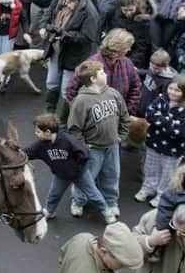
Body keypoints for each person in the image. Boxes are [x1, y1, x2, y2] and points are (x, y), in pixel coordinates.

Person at [67, 60, 130, 219]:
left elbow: (124, 116)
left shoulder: (113, 93)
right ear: (93, 79)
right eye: (102, 72)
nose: (106, 74)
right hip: (93, 148)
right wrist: (82, 147)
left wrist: (121, 137)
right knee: (87, 177)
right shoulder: (81, 101)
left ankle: (111, 202)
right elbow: (74, 128)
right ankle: (78, 201)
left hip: (112, 146)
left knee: (112, 175)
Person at [25, 113, 115, 223]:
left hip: (80, 175)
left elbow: (84, 154)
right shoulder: (41, 145)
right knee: (54, 194)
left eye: (38, 131)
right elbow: (26, 152)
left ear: (48, 132)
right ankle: (49, 211)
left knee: (93, 194)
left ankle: (107, 212)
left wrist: (77, 168)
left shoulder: (68, 141)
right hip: (61, 175)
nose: (36, 133)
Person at [39, 0, 99, 116]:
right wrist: (43, 26)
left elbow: (87, 37)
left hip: (73, 55)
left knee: (67, 90)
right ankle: (49, 112)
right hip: (56, 50)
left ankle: (64, 120)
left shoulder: (89, 11)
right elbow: (49, 13)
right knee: (52, 82)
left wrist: (65, 35)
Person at [51, 222, 144, 273]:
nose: (122, 268)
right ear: (103, 251)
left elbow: (62, 256)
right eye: (121, 264)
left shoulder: (83, 238)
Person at [65, 29, 142, 116]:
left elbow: (136, 89)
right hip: (91, 120)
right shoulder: (92, 64)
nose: (129, 49)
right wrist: (82, 114)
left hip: (117, 119)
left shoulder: (127, 64)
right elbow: (71, 91)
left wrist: (126, 113)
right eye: (128, 46)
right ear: (119, 47)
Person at [135, 75, 185, 207]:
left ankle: (161, 194)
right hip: (154, 143)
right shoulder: (162, 99)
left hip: (172, 150)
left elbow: (179, 131)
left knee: (167, 173)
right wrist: (170, 122)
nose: (172, 92)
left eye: (177, 90)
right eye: (171, 88)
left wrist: (162, 120)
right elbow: (149, 114)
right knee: (151, 167)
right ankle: (147, 188)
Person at [132, 201, 185, 273]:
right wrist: (149, 241)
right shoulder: (155, 217)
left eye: (184, 232)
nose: (178, 234)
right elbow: (130, 249)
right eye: (173, 226)